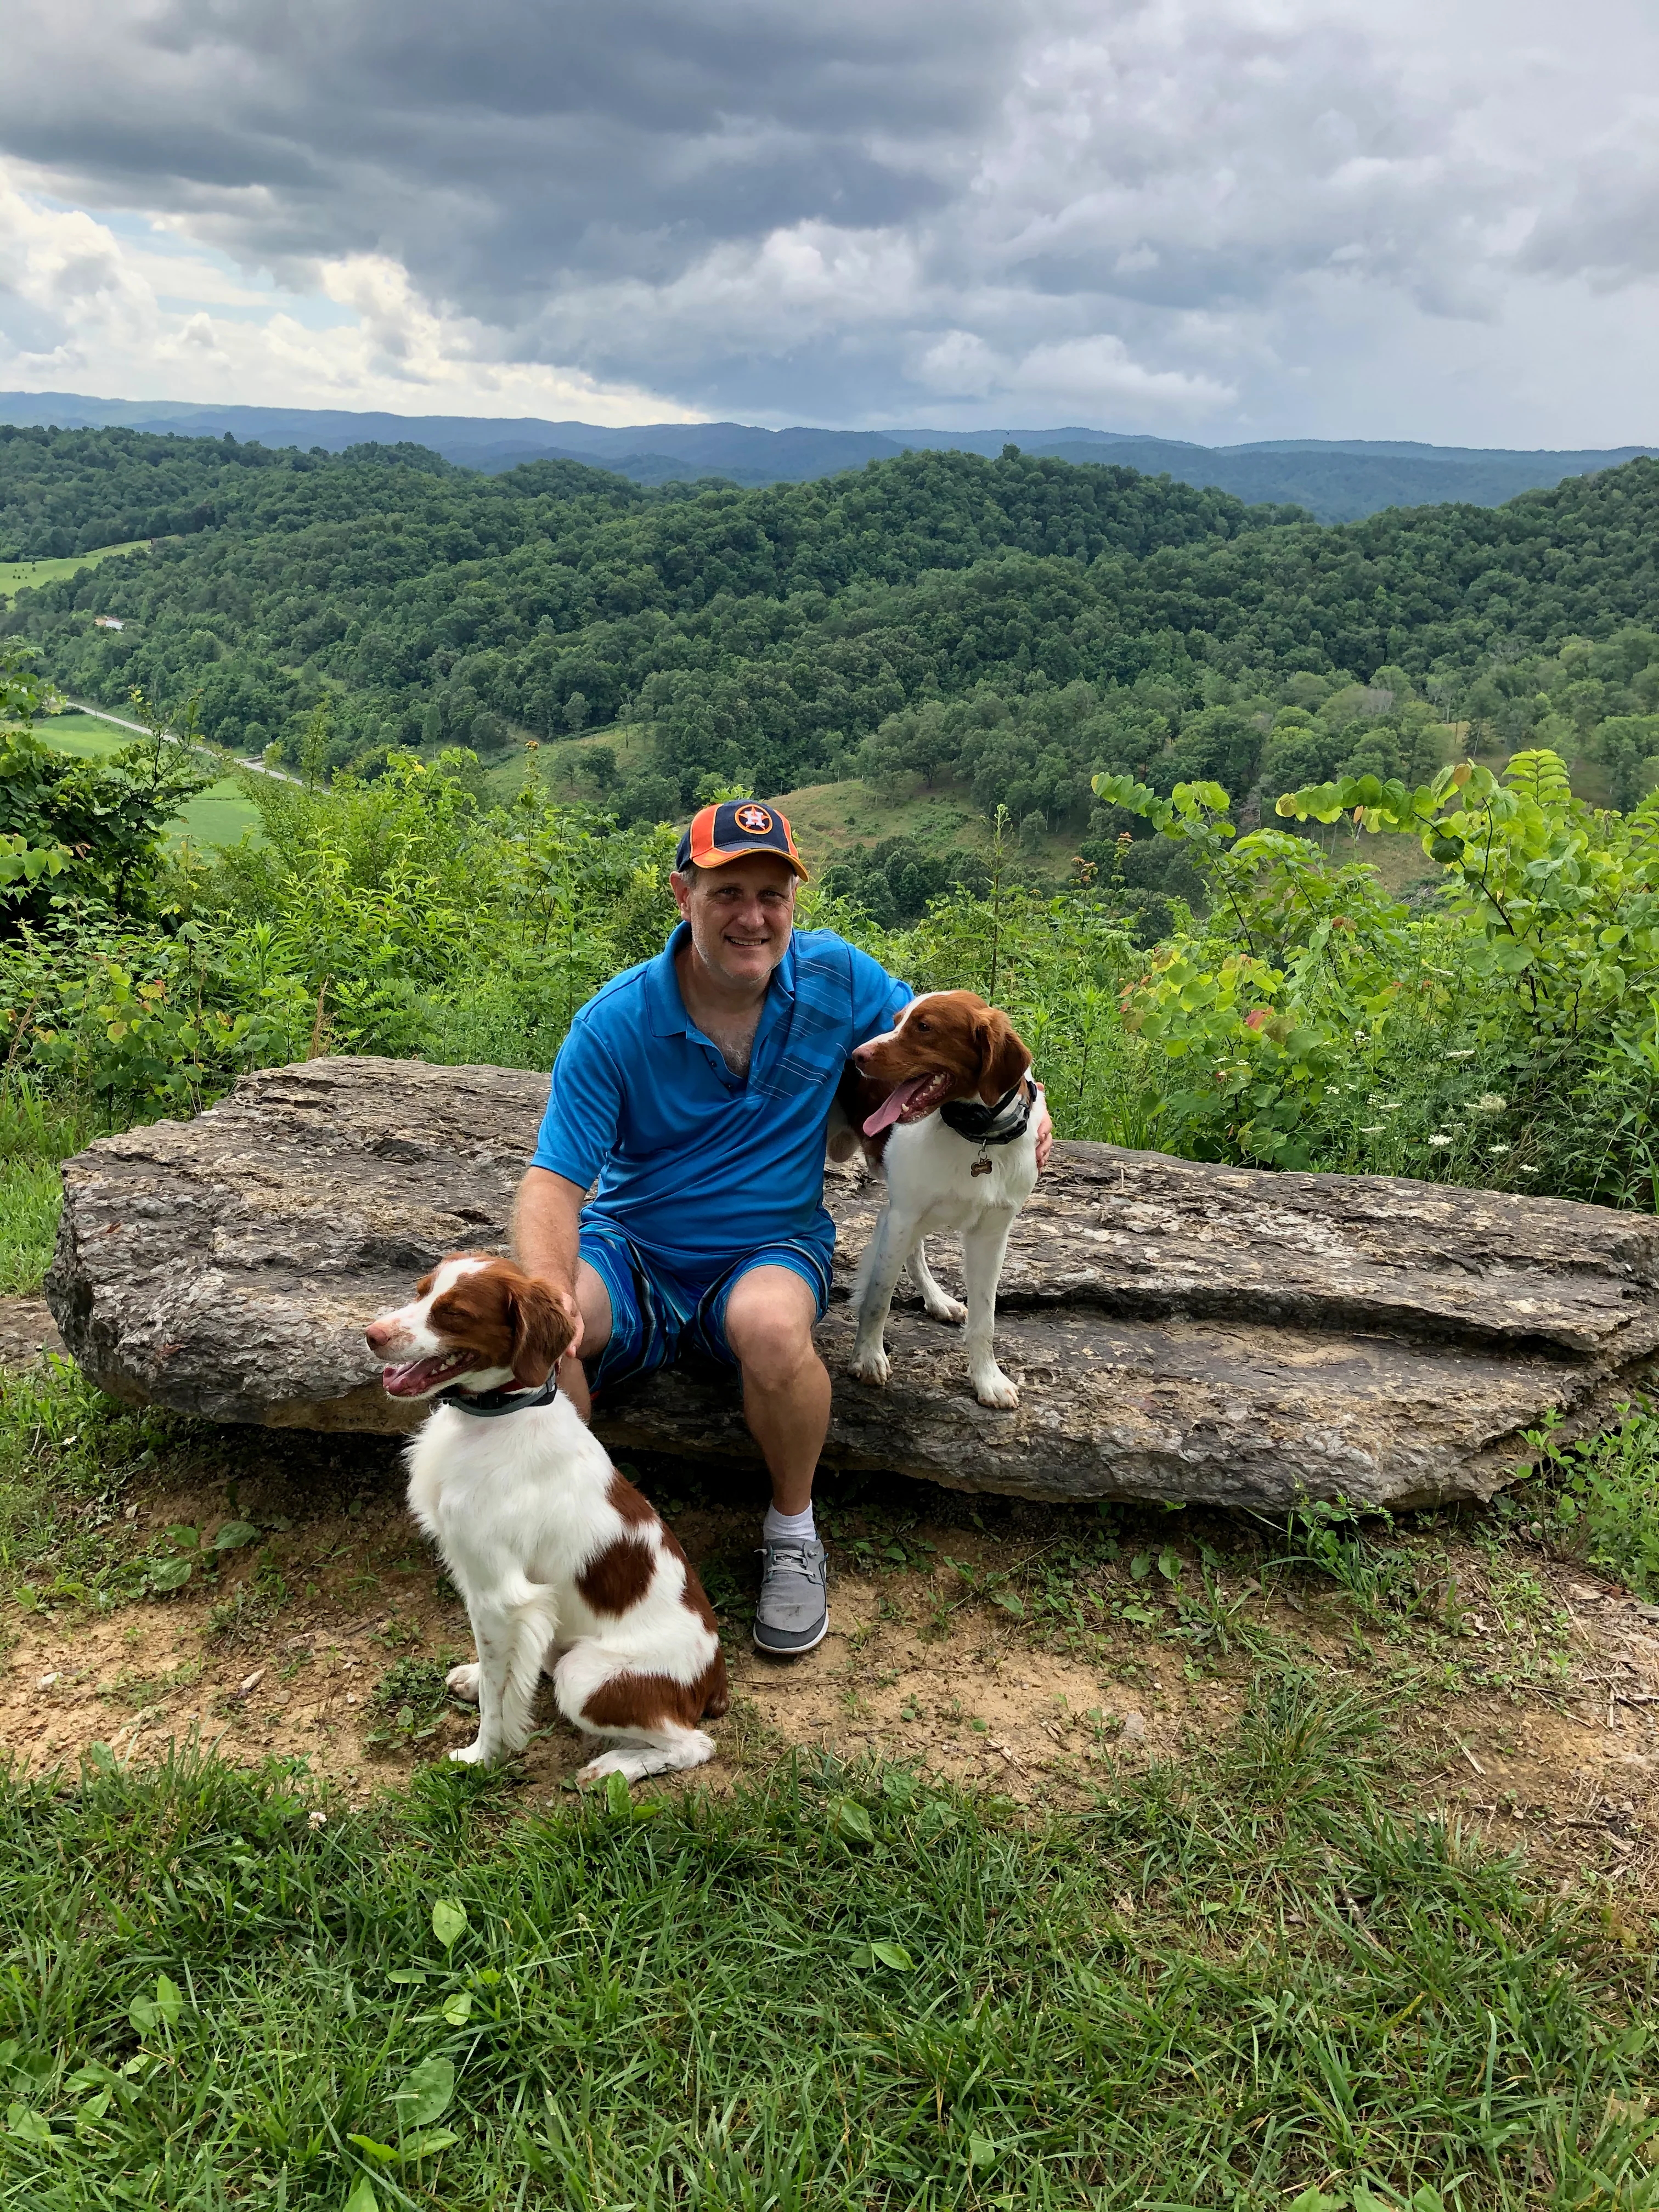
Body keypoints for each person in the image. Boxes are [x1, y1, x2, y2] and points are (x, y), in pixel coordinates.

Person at [512, 798, 1053, 1656]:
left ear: (793, 903)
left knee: (770, 1328)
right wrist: (548, 1286)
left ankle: (793, 1530)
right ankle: (578, 1543)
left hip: (770, 1242)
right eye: (728, 892)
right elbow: (552, 1181)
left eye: (773, 893)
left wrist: (1031, 1101)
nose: (753, 916)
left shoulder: (837, 979)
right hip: (635, 1244)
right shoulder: (613, 1022)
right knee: (542, 1332)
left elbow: (959, 1042)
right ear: (681, 895)